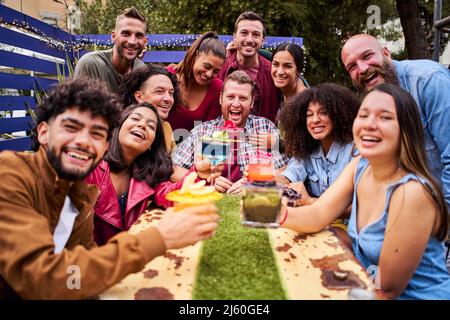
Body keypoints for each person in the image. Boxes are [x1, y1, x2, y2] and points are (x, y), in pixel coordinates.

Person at [0, 78, 219, 299]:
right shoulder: (10, 174)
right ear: (44, 132)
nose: (84, 141)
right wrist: (158, 238)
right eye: (71, 127)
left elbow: (75, 278)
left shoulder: (79, 195)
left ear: (104, 145)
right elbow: (44, 279)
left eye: (96, 133)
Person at [281, 84, 450, 299]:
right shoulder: (361, 166)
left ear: (406, 129)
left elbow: (385, 289)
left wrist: (335, 276)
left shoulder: (411, 193)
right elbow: (316, 215)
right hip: (366, 285)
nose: (369, 124)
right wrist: (268, 211)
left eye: (385, 117)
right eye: (364, 115)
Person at [341, 34, 450, 210]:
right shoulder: (373, 98)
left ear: (386, 53)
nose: (362, 69)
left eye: (367, 56)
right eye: (352, 66)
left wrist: (443, 223)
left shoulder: (429, 81)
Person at [86, 101, 220, 245]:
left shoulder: (147, 175)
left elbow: (174, 195)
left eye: (151, 126)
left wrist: (199, 173)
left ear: (152, 144)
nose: (142, 125)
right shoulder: (90, 166)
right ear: (118, 127)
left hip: (128, 257)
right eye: (136, 119)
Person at [173, 70, 289, 194]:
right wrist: (203, 180)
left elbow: (288, 170)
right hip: (209, 205)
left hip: (254, 203)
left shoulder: (265, 127)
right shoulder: (202, 131)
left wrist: (259, 182)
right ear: (221, 99)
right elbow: (173, 170)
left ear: (252, 102)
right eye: (230, 97)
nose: (236, 104)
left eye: (243, 98)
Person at [276, 84, 360, 245]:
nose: (315, 120)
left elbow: (359, 210)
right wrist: (274, 186)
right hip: (317, 224)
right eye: (309, 115)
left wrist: (309, 201)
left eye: (323, 113)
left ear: (338, 115)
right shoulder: (307, 149)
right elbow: (286, 176)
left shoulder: (354, 151)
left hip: (350, 232)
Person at [217, 11, 281, 123]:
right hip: (223, 136)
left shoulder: (273, 73)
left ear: (263, 39)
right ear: (234, 37)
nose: (249, 40)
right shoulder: (220, 68)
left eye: (256, 34)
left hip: (263, 136)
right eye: (244, 33)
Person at [74, 7, 147, 94]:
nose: (132, 41)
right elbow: (79, 106)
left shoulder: (141, 69)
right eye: (126, 34)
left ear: (145, 41)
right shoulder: (91, 64)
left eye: (139, 35)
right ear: (113, 36)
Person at [166, 31, 226, 138]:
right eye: (207, 66)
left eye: (216, 71)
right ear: (196, 55)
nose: (209, 74)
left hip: (193, 151)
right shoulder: (167, 77)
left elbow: (209, 135)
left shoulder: (217, 89)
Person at [120, 64, 179, 154]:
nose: (168, 99)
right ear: (139, 97)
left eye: (171, 93)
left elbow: (174, 163)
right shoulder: (124, 125)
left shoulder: (166, 127)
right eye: (159, 91)